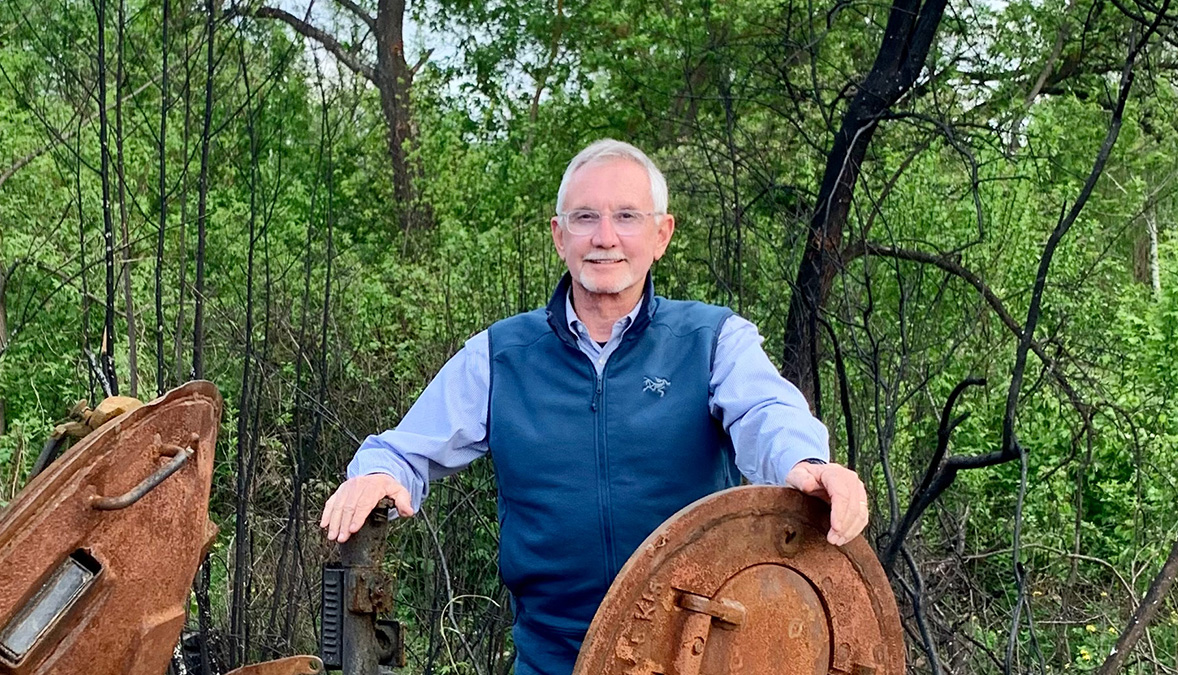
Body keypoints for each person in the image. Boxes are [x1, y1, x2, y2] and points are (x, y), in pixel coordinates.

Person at [321, 139, 869, 675]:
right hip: (553, 659)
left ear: (661, 234)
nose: (605, 237)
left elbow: (766, 411)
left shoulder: (711, 340)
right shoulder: (502, 355)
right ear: (559, 236)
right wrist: (378, 475)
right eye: (585, 217)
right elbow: (404, 451)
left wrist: (806, 463)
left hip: (694, 654)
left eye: (626, 216)